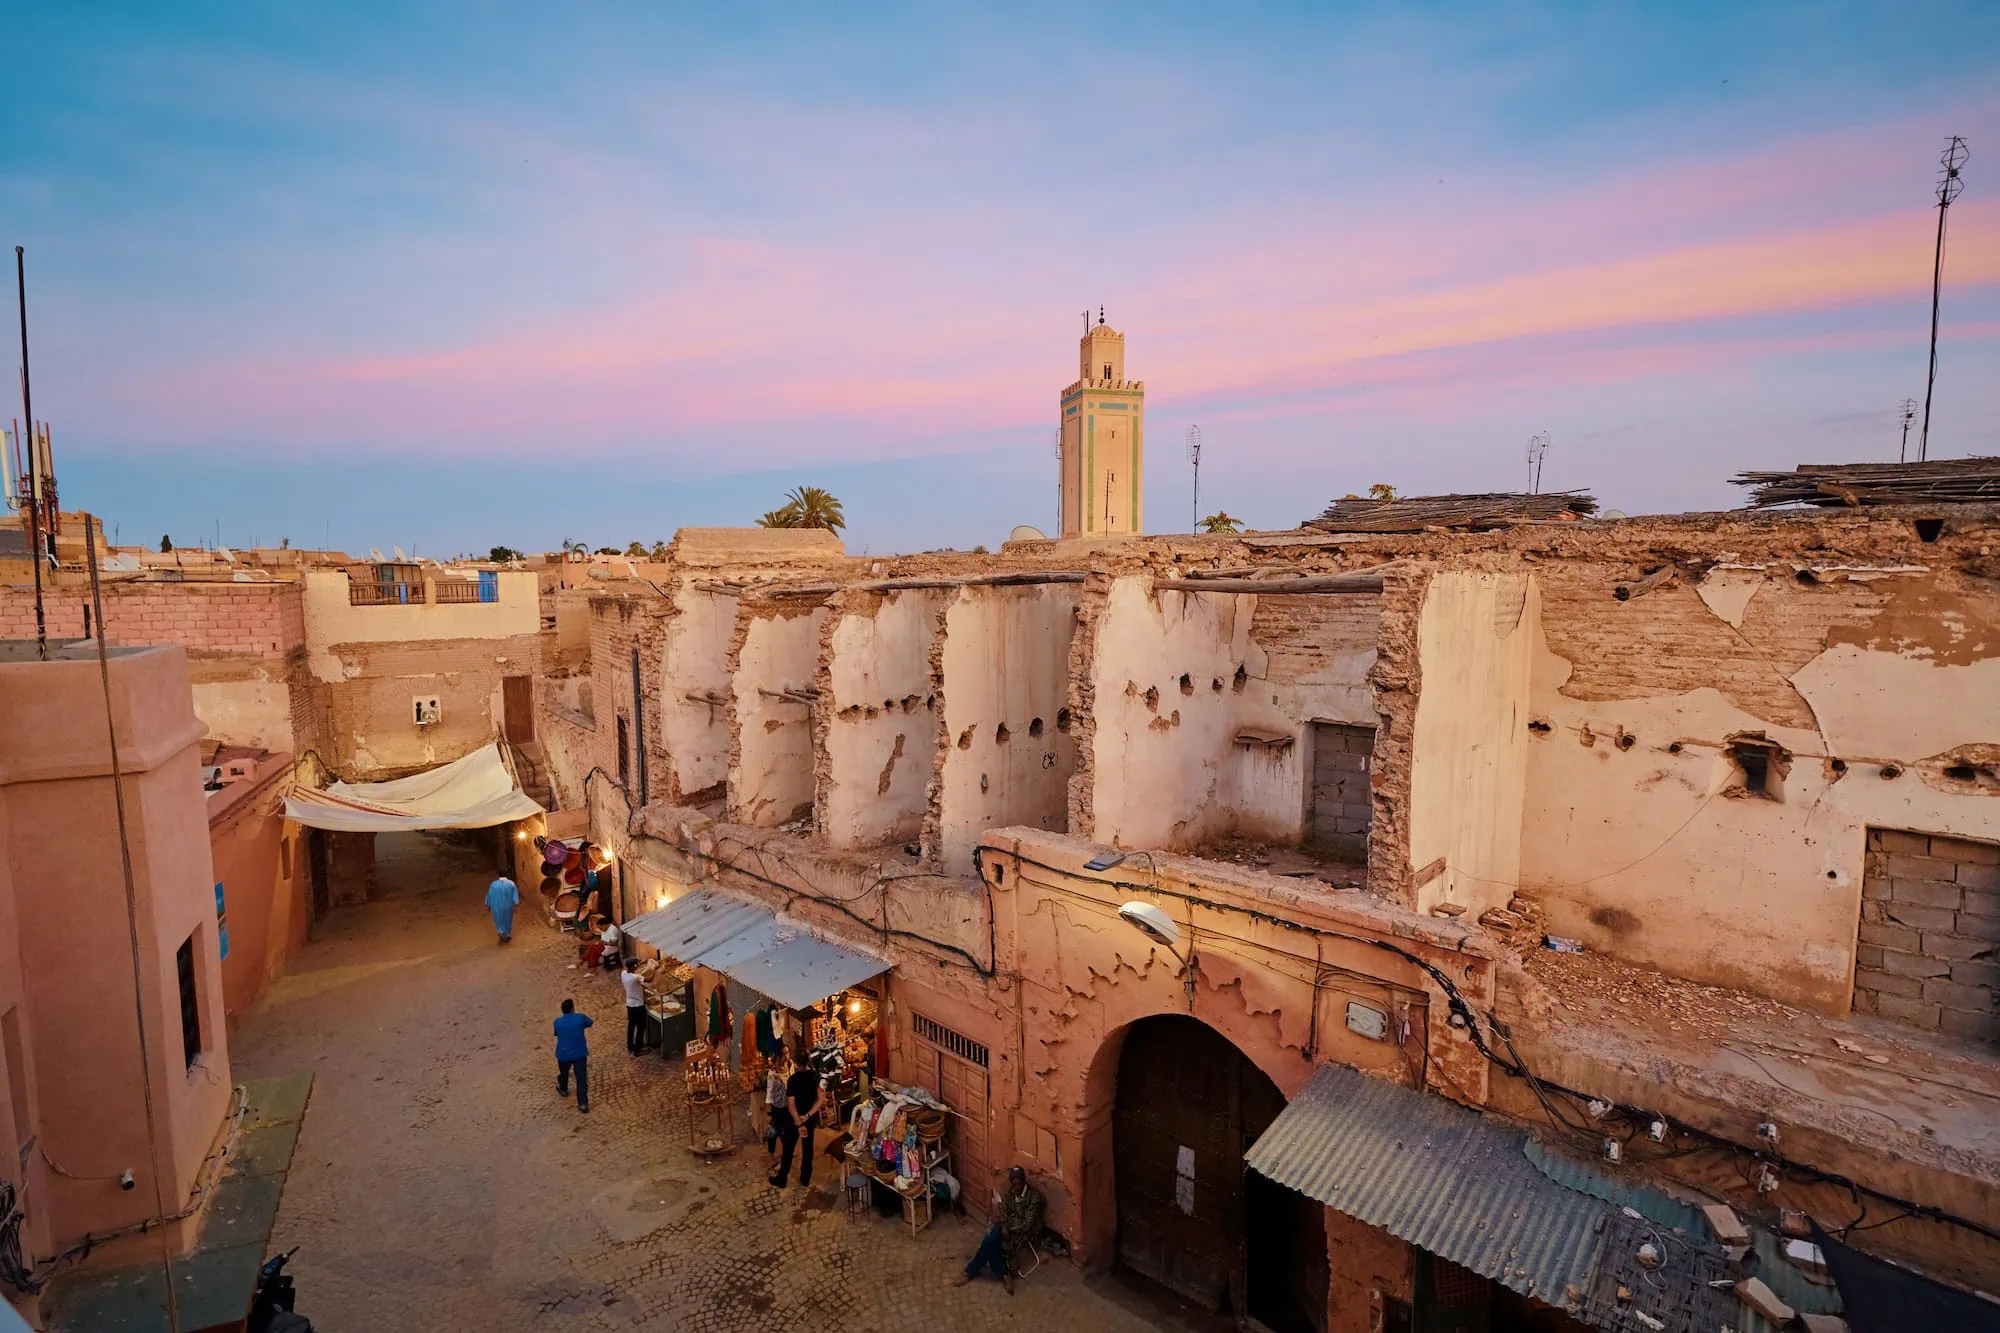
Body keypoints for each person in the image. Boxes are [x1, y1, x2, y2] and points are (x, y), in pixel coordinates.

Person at [955, 1166, 1044, 1294]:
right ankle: (1003, 1274)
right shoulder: (1011, 1193)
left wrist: (1008, 1227)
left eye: (1018, 1184)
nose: (1016, 1187)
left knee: (989, 1245)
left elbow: (1027, 1224)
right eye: (1013, 1184)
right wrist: (1003, 1225)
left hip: (1024, 1232)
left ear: (1024, 1182)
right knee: (990, 1242)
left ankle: (973, 1272)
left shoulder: (1033, 1197)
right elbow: (1004, 1212)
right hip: (1006, 1227)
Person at [770, 1059, 824, 1190]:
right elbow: (821, 1099)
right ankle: (805, 1179)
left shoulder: (793, 1079)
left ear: (796, 1063)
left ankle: (782, 1180)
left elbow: (791, 1105)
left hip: (794, 1120)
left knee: (788, 1149)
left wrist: (799, 1123)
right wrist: (807, 1115)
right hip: (809, 1119)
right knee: (808, 1148)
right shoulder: (816, 1077)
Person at [553, 998, 592, 1113]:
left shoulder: (557, 1022)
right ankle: (583, 1104)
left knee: (564, 1073)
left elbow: (556, 1033)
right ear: (572, 1008)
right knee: (581, 1078)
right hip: (579, 1053)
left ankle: (563, 1089)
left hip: (563, 1053)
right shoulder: (580, 1018)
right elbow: (590, 1022)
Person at [620, 959, 648, 1056]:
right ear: (633, 966)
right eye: (636, 965)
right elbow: (648, 979)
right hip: (638, 1005)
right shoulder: (635, 977)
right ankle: (638, 1050)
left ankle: (631, 1046)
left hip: (630, 1004)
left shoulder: (623, 974)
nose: (637, 967)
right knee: (641, 1027)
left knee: (631, 1026)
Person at [485, 873, 519, 944]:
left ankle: (501, 932)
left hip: (496, 905)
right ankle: (507, 934)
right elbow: (515, 897)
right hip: (508, 906)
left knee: (498, 920)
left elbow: (489, 895)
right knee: (508, 920)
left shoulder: (493, 884)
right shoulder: (511, 884)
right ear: (507, 875)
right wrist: (516, 906)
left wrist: (488, 905)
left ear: (499, 876)